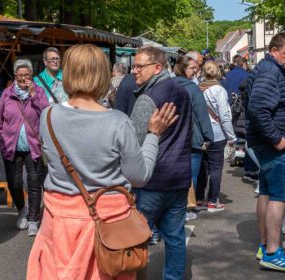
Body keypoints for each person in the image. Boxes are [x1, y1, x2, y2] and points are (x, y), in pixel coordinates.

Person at [26, 44, 178, 280]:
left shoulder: (48, 116)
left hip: (60, 221)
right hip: (108, 226)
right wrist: (153, 135)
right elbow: (139, 175)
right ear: (102, 75)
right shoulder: (117, 122)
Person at [129, 47, 193, 280]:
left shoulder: (149, 97)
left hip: (152, 179)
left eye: (139, 66)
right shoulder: (183, 91)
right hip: (179, 175)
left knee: (136, 237)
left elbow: (132, 142)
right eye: (134, 66)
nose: (134, 71)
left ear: (157, 67)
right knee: (175, 237)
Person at [247, 33, 285, 272]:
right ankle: (272, 252)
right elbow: (258, 109)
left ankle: (265, 245)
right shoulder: (271, 72)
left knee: (267, 192)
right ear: (273, 50)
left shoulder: (267, 69)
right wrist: (277, 139)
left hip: (264, 144)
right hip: (272, 145)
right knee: (278, 196)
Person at [0, 59, 50, 236]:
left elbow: (46, 113)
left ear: (32, 76)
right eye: (20, 75)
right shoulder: (7, 94)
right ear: (15, 76)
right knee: (14, 183)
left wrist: (34, 96)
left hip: (33, 146)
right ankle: (21, 210)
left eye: (27, 75)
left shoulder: (39, 92)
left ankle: (33, 218)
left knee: (33, 182)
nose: (24, 78)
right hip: (11, 145)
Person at [173, 56, 215, 216]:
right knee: (191, 176)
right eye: (192, 67)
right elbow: (202, 115)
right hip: (192, 139)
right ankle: (187, 209)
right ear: (183, 69)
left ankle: (175, 209)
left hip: (173, 138)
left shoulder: (168, 85)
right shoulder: (192, 88)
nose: (196, 70)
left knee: (176, 175)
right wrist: (208, 137)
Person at [197, 61, 237, 212]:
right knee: (216, 167)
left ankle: (200, 198)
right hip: (216, 133)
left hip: (201, 132)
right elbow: (225, 115)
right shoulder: (219, 90)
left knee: (203, 167)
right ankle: (213, 200)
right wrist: (231, 136)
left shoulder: (198, 88)